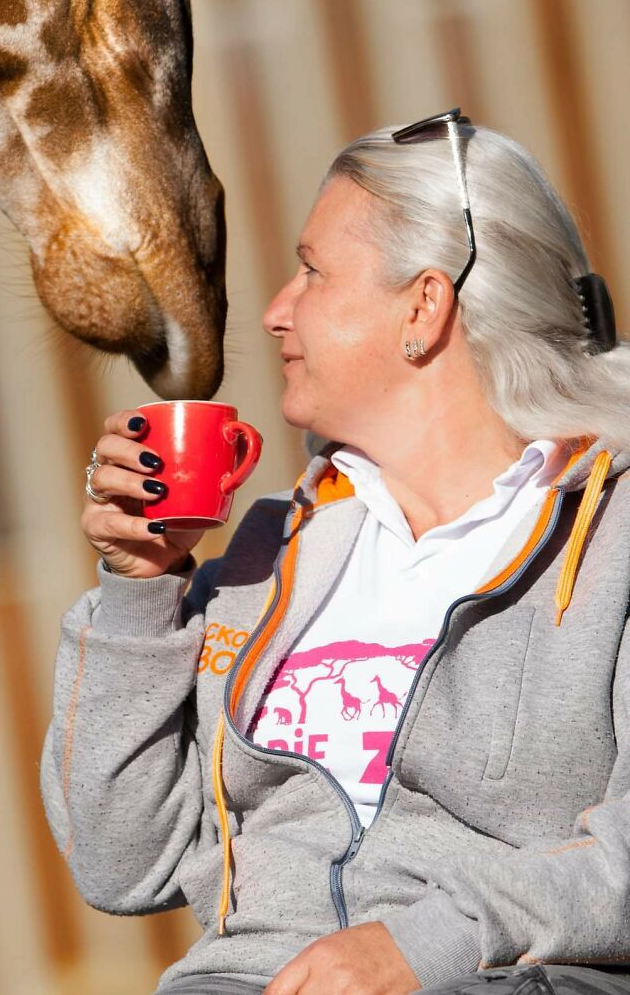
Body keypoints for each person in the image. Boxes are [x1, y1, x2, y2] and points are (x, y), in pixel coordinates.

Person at [41, 111, 630, 995]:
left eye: (312, 271)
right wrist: (140, 589)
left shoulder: (612, 532)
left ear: (423, 306)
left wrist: (425, 945)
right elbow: (121, 863)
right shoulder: (271, 552)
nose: (275, 312)